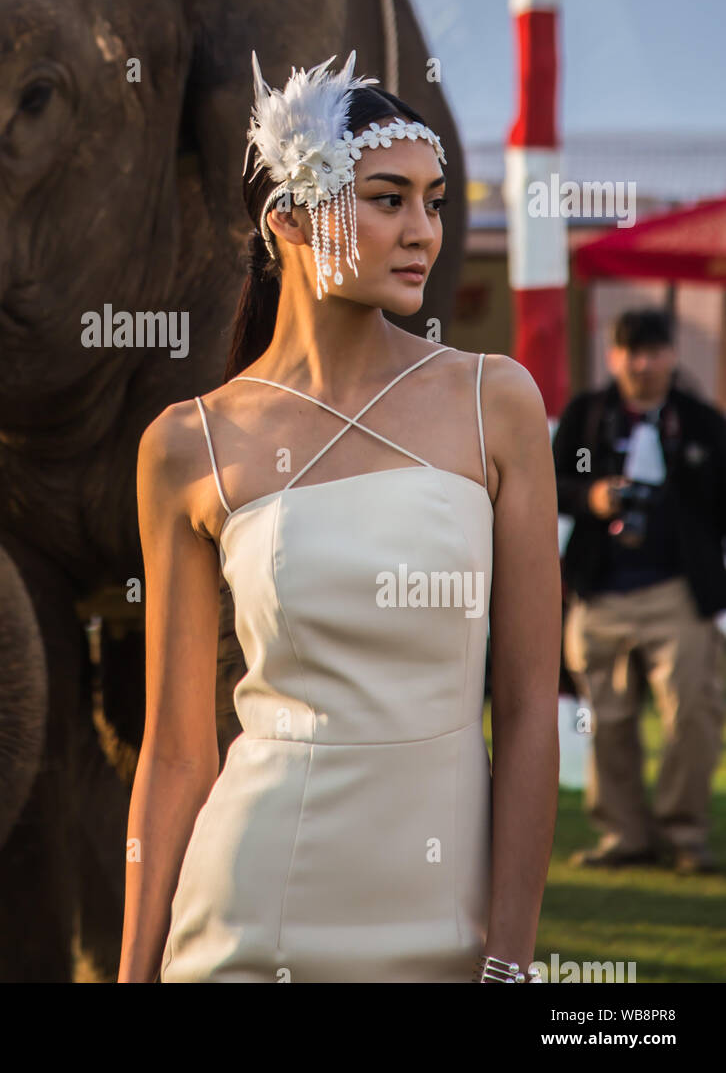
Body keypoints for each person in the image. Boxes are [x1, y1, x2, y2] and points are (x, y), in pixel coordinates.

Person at [120, 52, 560, 983]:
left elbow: (527, 713)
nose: (424, 234)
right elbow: (175, 753)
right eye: (387, 198)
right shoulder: (187, 444)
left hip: (445, 923)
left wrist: (510, 964)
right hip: (246, 914)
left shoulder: (497, 403)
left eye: (434, 203)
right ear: (289, 219)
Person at [555, 309, 726, 875]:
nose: (641, 363)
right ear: (612, 355)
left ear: (672, 356)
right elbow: (552, 485)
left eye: (652, 351)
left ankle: (683, 835)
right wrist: (592, 498)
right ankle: (623, 837)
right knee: (607, 719)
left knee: (693, 716)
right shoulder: (587, 415)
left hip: (679, 593)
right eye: (629, 350)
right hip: (600, 591)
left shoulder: (701, 422)